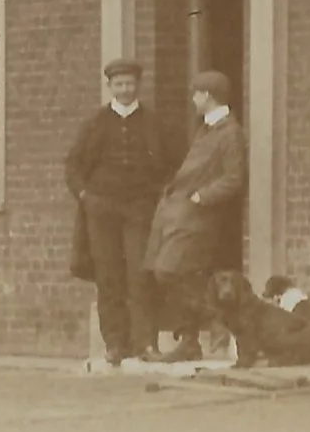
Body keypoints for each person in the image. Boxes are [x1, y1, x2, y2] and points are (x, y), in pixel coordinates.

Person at [64, 59, 178, 366]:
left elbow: (173, 163)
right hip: (102, 210)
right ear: (110, 87)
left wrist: (160, 195)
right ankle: (115, 344)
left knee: (141, 275)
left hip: (141, 208)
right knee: (109, 276)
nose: (125, 89)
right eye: (119, 84)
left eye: (130, 84)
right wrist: (86, 196)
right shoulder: (96, 123)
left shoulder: (154, 123)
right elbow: (73, 166)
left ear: (137, 86)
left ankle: (146, 344)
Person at [146, 68, 247, 362]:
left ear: (208, 96)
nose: (193, 99)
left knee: (169, 271)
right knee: (175, 274)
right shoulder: (205, 128)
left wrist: (201, 197)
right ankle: (190, 340)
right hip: (178, 214)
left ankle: (216, 323)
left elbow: (233, 178)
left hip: (198, 217)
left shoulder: (229, 132)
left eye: (196, 94)